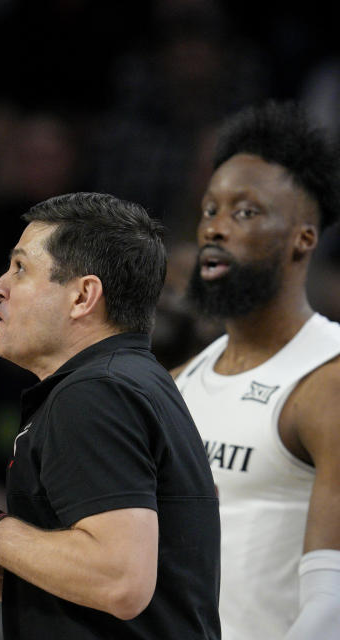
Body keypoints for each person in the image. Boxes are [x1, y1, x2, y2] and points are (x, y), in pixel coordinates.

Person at [0, 192, 220, 639]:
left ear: (83, 296)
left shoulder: (96, 393)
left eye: (21, 268)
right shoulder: (131, 380)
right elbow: (135, 601)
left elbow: (121, 581)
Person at [173, 101, 340, 639]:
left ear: (303, 238)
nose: (216, 229)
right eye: (209, 210)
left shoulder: (327, 380)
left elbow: (331, 604)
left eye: (245, 212)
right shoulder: (176, 385)